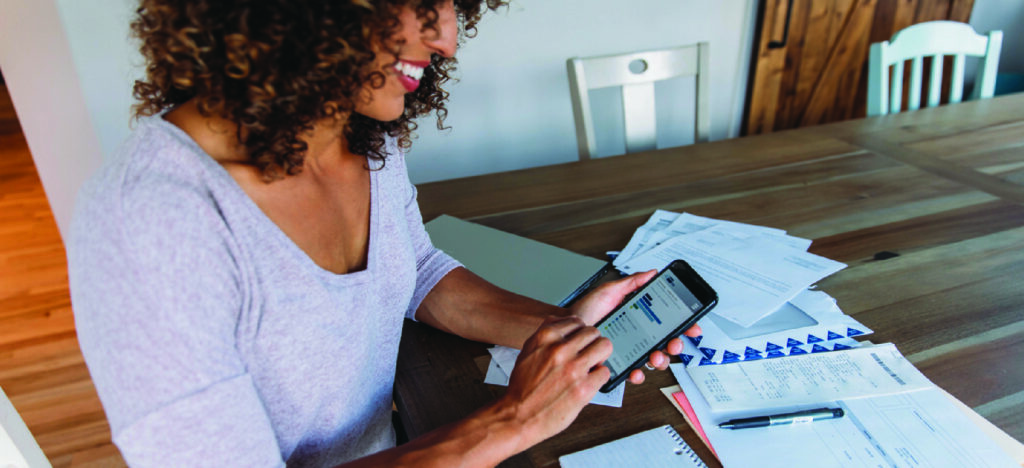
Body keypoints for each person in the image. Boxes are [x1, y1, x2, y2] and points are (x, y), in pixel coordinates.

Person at [67, 0, 700, 466]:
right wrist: (515, 418)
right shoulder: (149, 227)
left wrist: (561, 330)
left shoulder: (360, 131)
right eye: (420, 2)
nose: (447, 37)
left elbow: (415, 270)